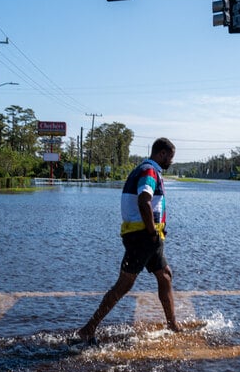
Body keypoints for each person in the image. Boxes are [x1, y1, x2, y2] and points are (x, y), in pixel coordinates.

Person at [76, 137, 181, 345]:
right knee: (124, 284)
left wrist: (156, 231)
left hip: (146, 237)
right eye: (170, 157)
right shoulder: (149, 171)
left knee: (165, 276)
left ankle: (172, 325)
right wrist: (152, 232)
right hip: (143, 238)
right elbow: (144, 201)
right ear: (161, 154)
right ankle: (88, 329)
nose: (170, 162)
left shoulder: (143, 169)